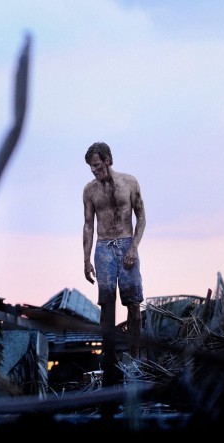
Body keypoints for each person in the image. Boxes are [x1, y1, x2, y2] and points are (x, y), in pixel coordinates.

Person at [82, 142, 146, 387]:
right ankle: (109, 360)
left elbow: (141, 217)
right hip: (104, 246)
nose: (93, 171)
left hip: (127, 242)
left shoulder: (129, 182)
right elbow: (88, 225)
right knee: (106, 304)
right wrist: (86, 258)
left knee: (133, 302)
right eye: (91, 167)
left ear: (108, 160)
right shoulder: (90, 190)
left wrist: (133, 247)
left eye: (96, 165)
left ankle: (135, 359)